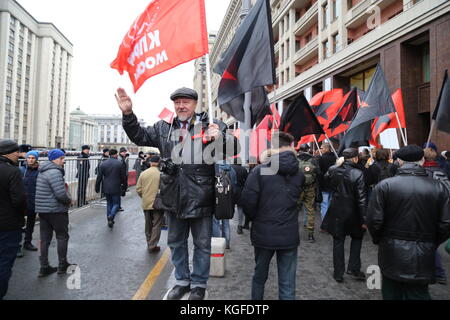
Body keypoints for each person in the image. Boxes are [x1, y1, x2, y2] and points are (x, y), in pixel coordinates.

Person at [116, 86, 238, 300]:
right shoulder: (163, 127)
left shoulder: (211, 124)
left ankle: (199, 284)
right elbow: (139, 136)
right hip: (172, 195)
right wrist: (128, 114)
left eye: (186, 102)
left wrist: (220, 138)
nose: (181, 106)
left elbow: (234, 149)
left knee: (202, 243)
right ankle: (182, 281)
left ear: (195, 104)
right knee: (175, 242)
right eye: (177, 102)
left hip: (201, 195)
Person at [367, 145, 450, 300]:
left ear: (399, 161)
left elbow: (374, 220)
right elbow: (445, 223)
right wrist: (431, 242)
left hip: (392, 250)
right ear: (422, 160)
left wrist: (381, 239)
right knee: (417, 293)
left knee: (392, 293)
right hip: (422, 252)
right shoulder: (439, 187)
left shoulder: (385, 186)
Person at [240, 132, 305, 300]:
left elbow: (247, 202)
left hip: (264, 233)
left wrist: (257, 219)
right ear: (290, 147)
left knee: (259, 277)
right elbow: (297, 200)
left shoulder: (259, 171)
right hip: (288, 233)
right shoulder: (299, 173)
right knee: (287, 282)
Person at [321, 148, 368, 283]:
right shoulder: (358, 173)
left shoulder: (333, 170)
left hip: (337, 209)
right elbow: (362, 198)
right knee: (356, 239)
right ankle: (353, 268)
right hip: (353, 212)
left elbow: (327, 180)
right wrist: (365, 218)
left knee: (338, 241)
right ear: (355, 158)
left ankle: (338, 273)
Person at [35, 149, 74, 277]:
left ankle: (44, 267)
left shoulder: (43, 170)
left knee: (44, 239)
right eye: (62, 158)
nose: (64, 161)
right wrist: (69, 200)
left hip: (43, 210)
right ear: (55, 159)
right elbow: (60, 194)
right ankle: (62, 265)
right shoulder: (55, 172)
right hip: (56, 210)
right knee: (62, 236)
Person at [0, 140, 27, 300]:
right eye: (16, 151)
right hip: (8, 226)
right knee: (4, 262)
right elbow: (19, 200)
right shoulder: (12, 172)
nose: (18, 154)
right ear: (8, 153)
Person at [422, 147, 449, 285]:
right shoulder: (442, 171)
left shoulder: (424, 173)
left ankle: (437, 272)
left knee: (429, 243)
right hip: (442, 210)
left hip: (429, 211)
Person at [136, 155, 164, 253]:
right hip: (158, 203)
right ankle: (153, 244)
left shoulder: (143, 173)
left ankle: (149, 243)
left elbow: (138, 189)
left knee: (148, 224)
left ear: (150, 162)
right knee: (157, 224)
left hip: (146, 202)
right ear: (159, 162)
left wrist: (144, 197)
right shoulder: (161, 174)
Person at [95, 149, 126, 228]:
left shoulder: (103, 164)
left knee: (109, 203)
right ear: (115, 154)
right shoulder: (119, 163)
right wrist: (124, 186)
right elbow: (123, 177)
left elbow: (99, 177)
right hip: (116, 186)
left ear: (109, 154)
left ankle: (109, 220)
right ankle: (111, 216)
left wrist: (97, 186)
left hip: (106, 186)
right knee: (116, 203)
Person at [297, 144, 321, 243]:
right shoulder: (313, 160)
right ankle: (310, 235)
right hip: (310, 188)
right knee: (310, 210)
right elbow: (319, 173)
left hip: (298, 189)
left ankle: (293, 232)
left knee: (295, 211)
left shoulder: (296, 159)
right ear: (308, 149)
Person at [212, 160, 236, 249]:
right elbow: (234, 185)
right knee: (226, 222)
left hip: (217, 200)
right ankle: (226, 243)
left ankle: (217, 244)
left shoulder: (215, 168)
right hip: (228, 200)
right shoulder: (231, 169)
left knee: (215, 222)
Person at [19, 150, 40, 252]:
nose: (31, 160)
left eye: (33, 158)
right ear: (26, 158)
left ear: (36, 159)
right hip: (21, 201)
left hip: (33, 200)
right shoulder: (21, 170)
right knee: (19, 223)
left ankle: (28, 242)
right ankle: (17, 246)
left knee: (31, 223)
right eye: (29, 157)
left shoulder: (39, 171)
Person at [318, 143, 336, 222]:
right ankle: (329, 222)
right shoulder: (335, 158)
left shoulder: (322, 158)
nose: (321, 149)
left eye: (322, 148)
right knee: (330, 204)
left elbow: (319, 172)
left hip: (324, 184)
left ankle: (325, 223)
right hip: (333, 184)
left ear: (326, 149)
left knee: (324, 204)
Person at [232, 162, 248, 235]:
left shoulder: (231, 168)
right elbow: (247, 181)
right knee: (240, 209)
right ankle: (240, 225)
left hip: (231, 190)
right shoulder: (243, 169)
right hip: (241, 191)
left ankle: (224, 225)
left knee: (227, 207)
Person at [118, 147, 128, 212]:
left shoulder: (122, 158)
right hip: (120, 179)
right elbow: (122, 171)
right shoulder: (120, 159)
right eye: (124, 152)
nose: (125, 153)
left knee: (118, 194)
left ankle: (117, 206)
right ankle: (117, 206)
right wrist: (124, 182)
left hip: (119, 179)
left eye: (125, 152)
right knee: (118, 194)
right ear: (121, 152)